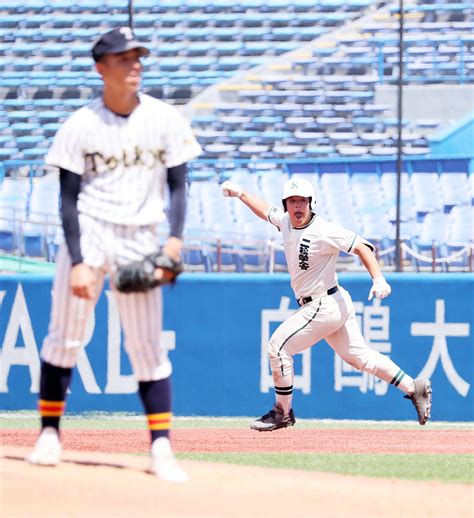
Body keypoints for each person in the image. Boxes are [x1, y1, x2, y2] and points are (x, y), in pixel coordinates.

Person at [28, 27, 202, 482]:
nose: (135, 64)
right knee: (66, 335)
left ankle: (161, 447)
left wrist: (174, 240)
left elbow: (178, 184)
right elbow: (66, 200)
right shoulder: (80, 125)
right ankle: (49, 434)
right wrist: (80, 259)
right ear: (101, 68)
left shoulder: (165, 118)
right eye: (124, 59)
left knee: (146, 345)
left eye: (138, 57)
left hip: (142, 236)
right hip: (90, 228)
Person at [221, 177, 432, 431]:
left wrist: (378, 278)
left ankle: (282, 412)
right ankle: (414, 387)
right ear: (286, 204)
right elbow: (265, 211)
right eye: (292, 201)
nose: (297, 206)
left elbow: (362, 246)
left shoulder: (323, 229)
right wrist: (241, 193)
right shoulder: (285, 221)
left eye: (302, 201)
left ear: (311, 203)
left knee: (277, 348)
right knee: (359, 357)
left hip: (324, 303)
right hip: (331, 302)